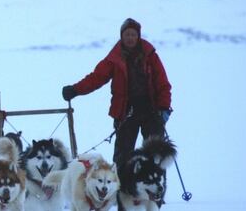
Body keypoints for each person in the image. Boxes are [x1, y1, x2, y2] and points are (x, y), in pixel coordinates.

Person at [61, 18, 172, 167]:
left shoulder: (150, 55)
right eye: (127, 35)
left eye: (133, 34)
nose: (130, 38)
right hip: (126, 112)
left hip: (152, 111)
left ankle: (155, 188)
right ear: (122, 36)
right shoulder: (114, 58)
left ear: (138, 36)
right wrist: (75, 90)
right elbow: (97, 78)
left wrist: (164, 107)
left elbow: (162, 83)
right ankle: (122, 187)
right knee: (123, 157)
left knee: (155, 156)